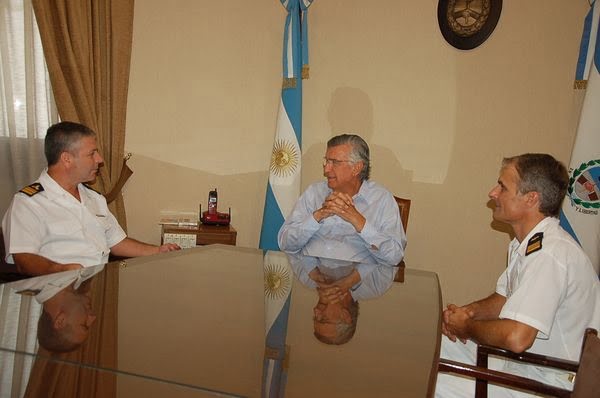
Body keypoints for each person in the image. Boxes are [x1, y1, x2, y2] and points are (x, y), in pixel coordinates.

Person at [436, 154, 600, 397]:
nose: (493, 193)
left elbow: (517, 338)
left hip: (550, 382)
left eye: (502, 186)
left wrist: (468, 327)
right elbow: (505, 298)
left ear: (531, 199)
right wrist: (465, 314)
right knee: (428, 348)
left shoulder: (551, 254)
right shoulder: (528, 243)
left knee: (424, 381)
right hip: (526, 365)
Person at [2, 121, 180, 276]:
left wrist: (157, 251)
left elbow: (117, 242)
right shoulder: (29, 202)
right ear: (67, 159)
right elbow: (23, 259)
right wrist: (60, 270)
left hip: (98, 287)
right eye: (91, 153)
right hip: (56, 293)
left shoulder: (93, 198)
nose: (99, 159)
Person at [278, 133, 406, 344]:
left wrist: (357, 220)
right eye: (326, 161)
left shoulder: (381, 199)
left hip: (362, 264)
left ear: (357, 167)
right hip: (310, 258)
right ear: (345, 316)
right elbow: (285, 243)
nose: (326, 169)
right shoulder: (314, 193)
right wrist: (318, 216)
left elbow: (393, 257)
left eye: (334, 162)